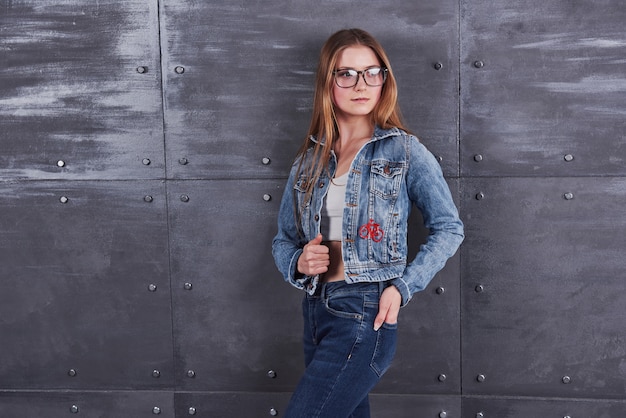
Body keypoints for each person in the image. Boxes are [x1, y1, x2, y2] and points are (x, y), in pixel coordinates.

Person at [272, 28, 464, 418]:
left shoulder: (405, 151)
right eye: (347, 73)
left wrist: (402, 288)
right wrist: (298, 263)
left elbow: (449, 227)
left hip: (364, 313)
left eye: (372, 72)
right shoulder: (308, 161)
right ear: (328, 82)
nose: (361, 84)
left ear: (384, 80)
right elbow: (283, 241)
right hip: (315, 312)